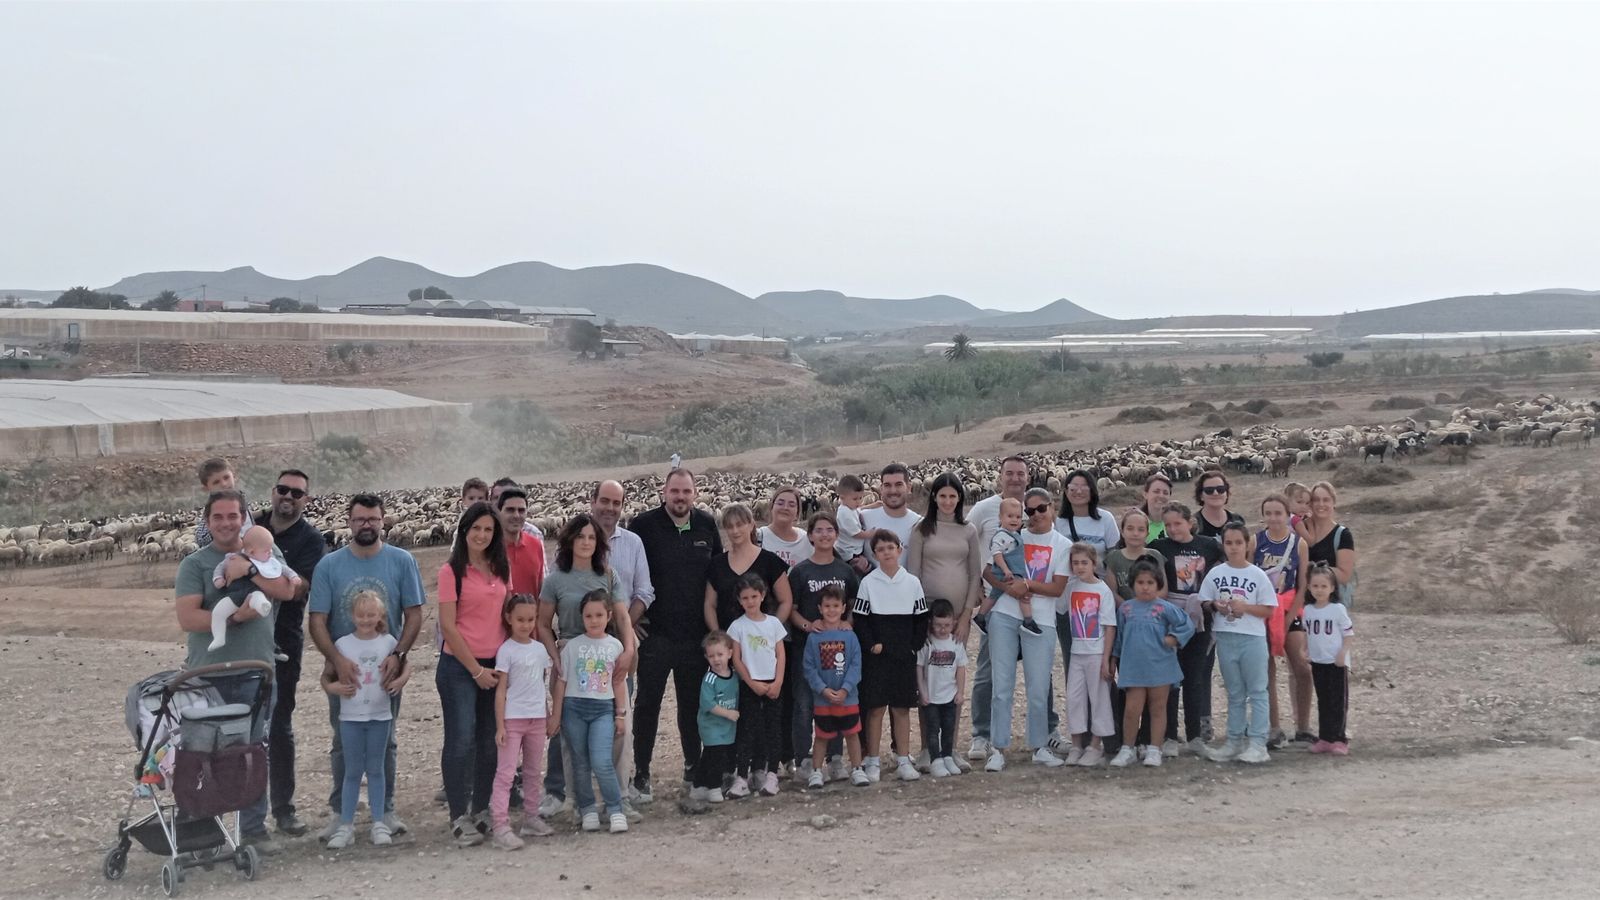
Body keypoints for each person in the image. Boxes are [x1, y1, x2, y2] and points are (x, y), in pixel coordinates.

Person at [174, 489, 296, 851]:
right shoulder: (194, 565)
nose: (226, 523)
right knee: (204, 754)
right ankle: (208, 832)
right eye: (218, 517)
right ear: (208, 521)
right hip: (208, 673)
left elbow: (287, 589)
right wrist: (233, 617)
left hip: (254, 670)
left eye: (233, 516)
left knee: (252, 750)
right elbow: (187, 616)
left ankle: (253, 830)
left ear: (244, 518)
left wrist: (249, 568)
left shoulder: (262, 551)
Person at [308, 493, 426, 844]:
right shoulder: (329, 566)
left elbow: (415, 613)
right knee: (342, 743)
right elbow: (317, 620)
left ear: (383, 520)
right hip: (345, 670)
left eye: (373, 519)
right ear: (349, 521)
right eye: (360, 519)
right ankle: (340, 814)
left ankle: (384, 810)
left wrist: (399, 655)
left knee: (386, 741)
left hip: (384, 669)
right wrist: (337, 661)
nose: (366, 524)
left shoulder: (401, 561)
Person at [536, 513, 637, 820]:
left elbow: (622, 617)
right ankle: (581, 803)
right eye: (580, 537)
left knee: (620, 730)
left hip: (608, 657)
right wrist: (555, 656)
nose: (586, 542)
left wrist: (629, 650)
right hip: (570, 657)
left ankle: (618, 799)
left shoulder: (607, 575)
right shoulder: (555, 579)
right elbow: (542, 623)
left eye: (592, 537)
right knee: (571, 739)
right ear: (570, 540)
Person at [630, 468, 722, 802]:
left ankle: (693, 766)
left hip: (694, 635)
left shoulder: (707, 525)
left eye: (686, 492)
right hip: (656, 635)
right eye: (675, 492)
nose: (680, 497)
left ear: (694, 493)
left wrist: (716, 629)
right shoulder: (642, 526)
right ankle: (641, 772)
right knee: (647, 705)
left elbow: (717, 576)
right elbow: (630, 574)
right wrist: (630, 620)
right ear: (664, 493)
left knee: (691, 705)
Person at [435, 501, 511, 846]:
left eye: (488, 529)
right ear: (464, 530)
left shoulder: (499, 570)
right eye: (475, 528)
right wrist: (476, 670)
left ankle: (481, 808)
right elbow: (449, 627)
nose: (481, 535)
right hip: (459, 668)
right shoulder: (451, 572)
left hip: (494, 665)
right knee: (461, 739)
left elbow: (504, 619)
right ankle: (457, 815)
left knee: (489, 741)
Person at [257, 468, 326, 837]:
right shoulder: (250, 526)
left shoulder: (312, 540)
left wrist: (251, 573)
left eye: (297, 493)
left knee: (280, 724)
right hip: (245, 639)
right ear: (273, 491)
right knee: (240, 728)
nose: (288, 497)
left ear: (306, 500)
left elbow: (298, 589)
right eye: (283, 489)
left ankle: (283, 808)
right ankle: (238, 813)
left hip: (284, 641)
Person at [984, 488, 1070, 772]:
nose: (1034, 516)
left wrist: (1029, 586)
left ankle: (1039, 745)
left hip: (1041, 619)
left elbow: (1057, 588)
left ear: (1051, 508)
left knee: (1038, 686)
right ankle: (997, 747)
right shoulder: (1014, 535)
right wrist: (1009, 588)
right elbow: (989, 571)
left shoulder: (1062, 545)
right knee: (1002, 684)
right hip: (1005, 615)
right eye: (1028, 511)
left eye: (1040, 509)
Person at [905, 471, 982, 771]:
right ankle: (927, 749)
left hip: (957, 621)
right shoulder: (921, 529)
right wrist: (920, 619)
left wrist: (965, 617)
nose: (948, 501)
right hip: (928, 619)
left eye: (953, 496)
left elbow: (974, 574)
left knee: (953, 678)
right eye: (942, 496)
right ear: (934, 498)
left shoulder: (969, 531)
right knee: (927, 679)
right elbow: (913, 574)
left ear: (959, 499)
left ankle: (950, 748)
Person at [324, 590, 408, 850]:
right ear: (352, 616)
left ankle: (379, 821)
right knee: (352, 771)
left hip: (380, 715)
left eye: (371, 614)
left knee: (376, 768)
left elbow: (406, 667)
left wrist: (398, 683)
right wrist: (336, 689)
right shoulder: (342, 645)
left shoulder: (388, 643)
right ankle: (346, 824)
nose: (366, 619)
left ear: (380, 615)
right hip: (350, 717)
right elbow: (325, 678)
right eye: (361, 615)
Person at [786, 511, 859, 783]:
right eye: (819, 530)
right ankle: (804, 760)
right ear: (811, 535)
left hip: (838, 652)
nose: (825, 535)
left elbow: (853, 604)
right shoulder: (801, 571)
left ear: (836, 535)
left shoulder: (845, 571)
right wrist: (807, 625)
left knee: (836, 702)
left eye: (830, 530)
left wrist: (848, 623)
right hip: (807, 649)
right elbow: (790, 609)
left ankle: (835, 759)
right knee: (805, 705)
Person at [964, 455, 1029, 762]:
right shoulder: (984, 508)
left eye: (1020, 474)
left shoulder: (1036, 507)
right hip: (998, 600)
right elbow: (968, 543)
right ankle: (980, 734)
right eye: (1010, 474)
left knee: (1037, 670)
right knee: (988, 670)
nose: (1015, 479)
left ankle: (1048, 731)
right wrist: (976, 583)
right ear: (1000, 477)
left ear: (1028, 477)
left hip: (1030, 601)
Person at [853, 529, 930, 783]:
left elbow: (921, 620)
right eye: (880, 549)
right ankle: (873, 760)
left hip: (903, 658)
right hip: (877, 659)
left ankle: (903, 759)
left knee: (901, 709)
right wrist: (872, 645)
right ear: (874, 554)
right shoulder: (868, 583)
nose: (886, 553)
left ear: (900, 549)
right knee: (875, 709)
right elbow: (861, 620)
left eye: (890, 547)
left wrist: (912, 647)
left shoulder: (912, 583)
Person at [551, 591, 629, 834]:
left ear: (608, 616)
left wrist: (620, 714)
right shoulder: (572, 647)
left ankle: (615, 808)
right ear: (582, 618)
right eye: (588, 616)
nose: (594, 620)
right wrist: (556, 715)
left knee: (601, 760)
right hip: (574, 708)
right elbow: (561, 682)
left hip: (602, 710)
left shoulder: (615, 646)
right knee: (580, 762)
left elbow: (618, 682)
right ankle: (587, 809)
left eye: (598, 615)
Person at [1200, 522, 1278, 765]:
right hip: (1226, 636)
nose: (1233, 548)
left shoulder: (1257, 574)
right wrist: (1216, 606)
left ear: (1246, 545)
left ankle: (1258, 743)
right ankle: (1234, 741)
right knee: (1234, 693)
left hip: (1252, 638)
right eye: (1229, 543)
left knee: (1257, 690)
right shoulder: (1216, 573)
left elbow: (1268, 609)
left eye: (1238, 543)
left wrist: (1246, 608)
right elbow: (1204, 600)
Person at [1150, 502, 1224, 754]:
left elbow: (1224, 567)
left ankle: (1195, 737)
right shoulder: (1159, 547)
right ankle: (1170, 736)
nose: (1172, 529)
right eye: (1168, 525)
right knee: (1171, 679)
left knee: (1194, 677)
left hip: (1200, 617)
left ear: (1190, 522)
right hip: (1169, 617)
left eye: (1177, 524)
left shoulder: (1209, 546)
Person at [1107, 560, 1194, 768]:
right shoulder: (1126, 609)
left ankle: (1155, 749)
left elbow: (1187, 623)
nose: (1145, 587)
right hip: (1133, 668)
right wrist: (1113, 660)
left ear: (1158, 585)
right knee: (1131, 709)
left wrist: (1174, 638)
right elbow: (1118, 638)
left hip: (1160, 666)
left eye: (1150, 583)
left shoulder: (1165, 608)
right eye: (1140, 582)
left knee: (1158, 708)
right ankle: (1128, 748)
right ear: (1132, 584)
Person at [489, 594, 555, 850]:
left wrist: (547, 714)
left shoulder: (539, 650)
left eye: (530, 619)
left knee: (532, 770)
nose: (525, 625)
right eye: (520, 620)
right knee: (506, 773)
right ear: (509, 618)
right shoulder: (506, 651)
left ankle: (531, 816)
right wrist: (501, 725)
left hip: (536, 719)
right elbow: (501, 690)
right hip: (513, 718)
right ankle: (500, 825)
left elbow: (540, 684)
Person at [1102, 508, 1168, 757]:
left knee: (1153, 686)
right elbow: (1111, 590)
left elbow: (1163, 590)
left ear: (1147, 531)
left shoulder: (1155, 556)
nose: (1136, 534)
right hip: (1124, 626)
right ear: (1122, 530)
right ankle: (1124, 740)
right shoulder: (1114, 558)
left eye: (1141, 529)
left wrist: (1144, 607)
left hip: (1151, 626)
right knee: (1130, 686)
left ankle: (1147, 741)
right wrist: (1128, 608)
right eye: (1130, 528)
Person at [1254, 494, 1314, 747]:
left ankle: (1302, 725)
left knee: (1301, 666)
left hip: (1290, 607)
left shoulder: (1298, 543)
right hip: (1264, 609)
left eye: (1278, 513)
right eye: (1268, 513)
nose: (1273, 518)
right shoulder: (1255, 541)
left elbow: (1303, 584)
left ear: (1287, 514)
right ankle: (1274, 726)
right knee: (1266, 669)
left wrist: (1291, 616)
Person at [727, 573, 787, 798]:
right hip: (750, 685)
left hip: (773, 683)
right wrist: (751, 683)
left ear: (762, 596)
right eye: (745, 598)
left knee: (773, 729)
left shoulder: (773, 624)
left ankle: (772, 774)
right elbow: (737, 658)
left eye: (754, 596)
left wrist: (778, 681)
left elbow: (780, 654)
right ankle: (741, 776)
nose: (750, 601)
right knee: (747, 730)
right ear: (739, 600)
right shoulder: (738, 626)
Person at [803, 586, 870, 789]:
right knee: (822, 735)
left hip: (848, 698)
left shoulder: (850, 636)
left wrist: (845, 689)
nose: (831, 610)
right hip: (823, 699)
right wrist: (823, 689)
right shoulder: (813, 637)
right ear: (820, 608)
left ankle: (857, 769)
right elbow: (809, 667)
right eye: (827, 606)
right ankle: (816, 771)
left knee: (852, 733)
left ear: (843, 608)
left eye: (835, 606)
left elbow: (856, 665)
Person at [1062, 543, 1116, 767]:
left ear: (1094, 563)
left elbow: (1109, 626)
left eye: (1084, 562)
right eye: (1075, 563)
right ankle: (1076, 745)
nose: (1080, 567)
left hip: (1096, 653)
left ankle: (1096, 745)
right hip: (1077, 652)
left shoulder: (1102, 590)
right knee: (1074, 698)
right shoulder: (1071, 587)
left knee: (1099, 698)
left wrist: (1106, 660)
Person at [704, 503, 792, 632]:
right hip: (728, 645)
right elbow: (710, 604)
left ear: (751, 525)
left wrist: (770, 631)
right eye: (730, 526)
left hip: (761, 644)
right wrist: (718, 635)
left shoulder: (770, 561)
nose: (735, 531)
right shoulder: (717, 564)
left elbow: (786, 600)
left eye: (740, 525)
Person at [207, 524, 294, 651]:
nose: (270, 552)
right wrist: (218, 579)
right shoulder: (233, 557)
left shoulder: (269, 560)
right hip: (234, 595)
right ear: (252, 551)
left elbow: (284, 574)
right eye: (267, 550)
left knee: (257, 597)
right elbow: (221, 567)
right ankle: (219, 637)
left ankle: (262, 606)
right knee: (218, 612)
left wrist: (248, 569)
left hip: (253, 593)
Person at [1301, 566, 1355, 755]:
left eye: (1324, 586)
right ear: (1309, 587)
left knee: (1337, 700)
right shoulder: (1308, 610)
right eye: (1315, 586)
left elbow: (1348, 634)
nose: (1319, 590)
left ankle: (1339, 738)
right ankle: (1325, 737)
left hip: (1336, 662)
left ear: (1332, 588)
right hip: (1318, 661)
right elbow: (1307, 633)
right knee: (1323, 699)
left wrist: (1343, 653)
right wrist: (1305, 649)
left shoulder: (1337, 609)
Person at [916, 599, 968, 778]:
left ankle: (947, 756)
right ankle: (935, 759)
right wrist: (922, 692)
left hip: (949, 696)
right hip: (931, 696)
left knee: (948, 728)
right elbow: (919, 668)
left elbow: (961, 669)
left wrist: (960, 692)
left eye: (946, 625)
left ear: (953, 623)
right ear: (931, 623)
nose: (942, 629)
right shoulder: (927, 644)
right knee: (932, 729)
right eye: (938, 625)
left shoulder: (956, 643)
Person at [688, 632, 740, 806]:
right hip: (711, 725)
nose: (716, 660)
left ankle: (698, 785)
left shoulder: (734, 674)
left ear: (730, 653)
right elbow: (707, 704)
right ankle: (714, 787)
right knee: (715, 754)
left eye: (720, 655)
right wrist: (728, 713)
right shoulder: (710, 679)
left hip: (727, 726)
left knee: (713, 755)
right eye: (711, 656)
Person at [973, 497, 1030, 634]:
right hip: (1005, 571)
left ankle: (980, 617)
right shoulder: (1001, 535)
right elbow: (996, 553)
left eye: (1017, 517)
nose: (1014, 520)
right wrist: (1005, 569)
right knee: (1023, 594)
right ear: (1000, 517)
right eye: (1010, 516)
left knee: (993, 595)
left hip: (1007, 570)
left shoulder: (1013, 534)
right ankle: (1028, 620)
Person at [1304, 481, 1358, 609]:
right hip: (1301, 605)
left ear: (1333, 503)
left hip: (1331, 606)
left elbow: (1345, 575)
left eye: (1326, 500)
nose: (1321, 504)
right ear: (1310, 504)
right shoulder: (1301, 530)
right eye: (1316, 500)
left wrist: (1312, 567)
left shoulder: (1342, 535)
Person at [860, 463, 923, 566]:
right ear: (881, 489)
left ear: (909, 487)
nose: (893, 491)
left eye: (898, 485)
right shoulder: (863, 518)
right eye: (887, 485)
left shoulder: (919, 524)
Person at [496, 488, 547, 598]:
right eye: (510, 510)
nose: (516, 515)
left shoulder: (536, 545)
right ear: (498, 512)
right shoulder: (490, 549)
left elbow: (540, 588)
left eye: (521, 510)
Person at [756, 485, 813, 567]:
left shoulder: (807, 540)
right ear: (772, 507)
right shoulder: (757, 537)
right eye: (780, 503)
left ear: (797, 513)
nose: (785, 508)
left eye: (792, 505)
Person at [192, 457, 243, 549]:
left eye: (226, 477)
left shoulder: (242, 503)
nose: (224, 484)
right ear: (206, 488)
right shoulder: (210, 511)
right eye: (216, 482)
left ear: (234, 477)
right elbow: (201, 538)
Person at [1194, 470, 1248, 547]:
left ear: (1226, 493)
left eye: (1220, 489)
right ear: (1201, 496)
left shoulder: (1237, 520)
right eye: (1209, 490)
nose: (1215, 493)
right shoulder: (1194, 523)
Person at [833, 474, 869, 571]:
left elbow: (859, 509)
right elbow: (856, 534)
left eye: (861, 498)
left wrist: (873, 505)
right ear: (842, 498)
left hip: (854, 549)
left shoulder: (850, 507)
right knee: (860, 571)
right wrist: (873, 533)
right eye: (855, 499)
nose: (858, 502)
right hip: (850, 553)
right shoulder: (844, 514)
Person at [1139, 474, 1174, 543]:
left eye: (1165, 493)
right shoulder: (1136, 523)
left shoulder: (1175, 523)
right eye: (1156, 491)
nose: (1161, 496)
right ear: (1145, 494)